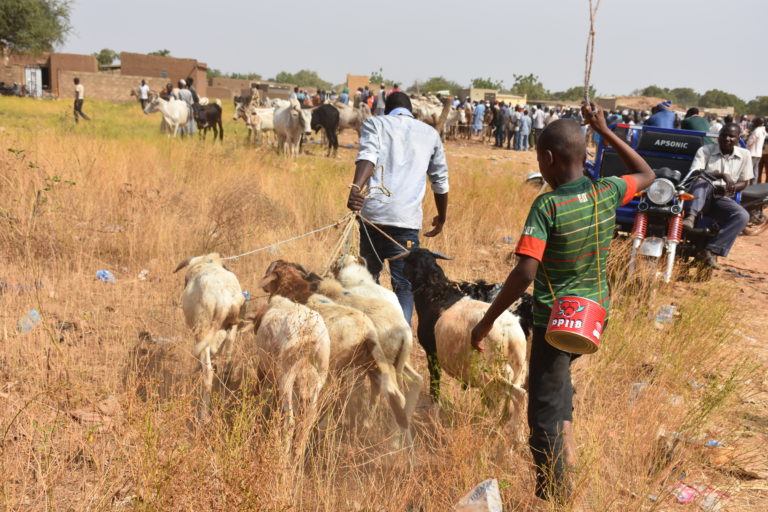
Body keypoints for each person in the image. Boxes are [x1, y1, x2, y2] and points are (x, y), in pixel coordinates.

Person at [470, 102, 654, 503]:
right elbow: (647, 174)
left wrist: (485, 322)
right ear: (585, 155)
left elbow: (524, 274)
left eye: (539, 158)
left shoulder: (548, 205)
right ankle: (568, 457)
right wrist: (606, 131)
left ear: (548, 159)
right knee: (561, 390)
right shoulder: (606, 192)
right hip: (595, 318)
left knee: (542, 417)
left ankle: (554, 498)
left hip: (558, 323)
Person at [346, 92, 449, 325]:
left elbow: (368, 157)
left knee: (369, 278)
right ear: (411, 110)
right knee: (404, 283)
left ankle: (371, 329)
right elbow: (440, 180)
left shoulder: (375, 124)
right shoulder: (430, 134)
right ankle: (401, 330)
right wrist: (441, 217)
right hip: (406, 221)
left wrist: (356, 188)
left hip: (373, 217)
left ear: (385, 110)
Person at [683, 123, 752, 268]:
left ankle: (711, 250)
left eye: (731, 136)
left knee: (742, 216)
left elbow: (745, 182)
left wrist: (728, 189)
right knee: (703, 180)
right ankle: (691, 217)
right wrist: (721, 175)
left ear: (738, 138)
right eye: (723, 135)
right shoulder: (705, 150)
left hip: (721, 198)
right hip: (699, 195)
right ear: (718, 136)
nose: (727, 138)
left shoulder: (745, 155)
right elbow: (695, 174)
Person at [746, 118, 766, 182]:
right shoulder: (763, 131)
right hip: (758, 153)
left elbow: (749, 142)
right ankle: (754, 185)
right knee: (755, 170)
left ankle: (750, 186)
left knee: (750, 170)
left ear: (757, 123)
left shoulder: (757, 131)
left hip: (753, 153)